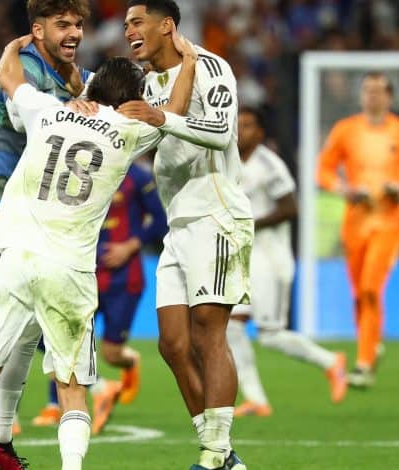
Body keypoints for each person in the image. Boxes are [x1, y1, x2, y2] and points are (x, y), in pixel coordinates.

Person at [0, 30, 197, 470]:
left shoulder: (49, 112)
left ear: (93, 89)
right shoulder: (131, 130)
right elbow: (176, 112)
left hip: (16, 261)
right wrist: (187, 64)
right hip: (69, 269)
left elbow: (10, 79)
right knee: (72, 390)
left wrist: (11, 48)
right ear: (132, 100)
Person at [117, 1, 255, 468]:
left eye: (137, 22)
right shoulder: (148, 83)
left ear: (166, 25)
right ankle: (225, 455)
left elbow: (220, 131)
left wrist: (162, 120)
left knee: (208, 334)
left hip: (216, 215)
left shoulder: (210, 67)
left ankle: (214, 453)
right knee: (172, 344)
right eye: (126, 24)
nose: (128, 30)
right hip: (178, 223)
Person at [0, 1, 94, 468]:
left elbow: (104, 95)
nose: (73, 32)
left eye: (78, 24)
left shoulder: (69, 75)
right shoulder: (24, 68)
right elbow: (32, 121)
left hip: (30, 222)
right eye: (62, 24)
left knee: (24, 332)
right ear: (37, 30)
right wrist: (78, 105)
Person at [227, 107, 347, 419]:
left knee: (270, 335)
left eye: (248, 125)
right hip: (243, 257)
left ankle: (331, 362)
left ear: (260, 133)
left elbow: (291, 208)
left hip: (270, 259)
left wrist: (249, 224)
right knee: (231, 326)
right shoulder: (228, 160)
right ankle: (256, 399)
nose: (241, 130)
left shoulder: (269, 165)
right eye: (238, 124)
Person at [32, 164, 168, 434]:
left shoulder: (137, 176)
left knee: (110, 353)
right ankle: (56, 404)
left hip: (124, 279)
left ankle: (128, 361)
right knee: (62, 337)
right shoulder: (79, 173)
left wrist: (130, 245)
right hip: (83, 272)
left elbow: (160, 222)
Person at [316, 71, 399, 388]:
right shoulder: (346, 130)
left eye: (378, 90)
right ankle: (372, 341)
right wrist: (343, 189)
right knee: (358, 293)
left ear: (389, 96)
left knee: (370, 288)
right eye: (367, 90)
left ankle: (364, 364)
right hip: (356, 218)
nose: (372, 96)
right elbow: (324, 169)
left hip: (391, 219)